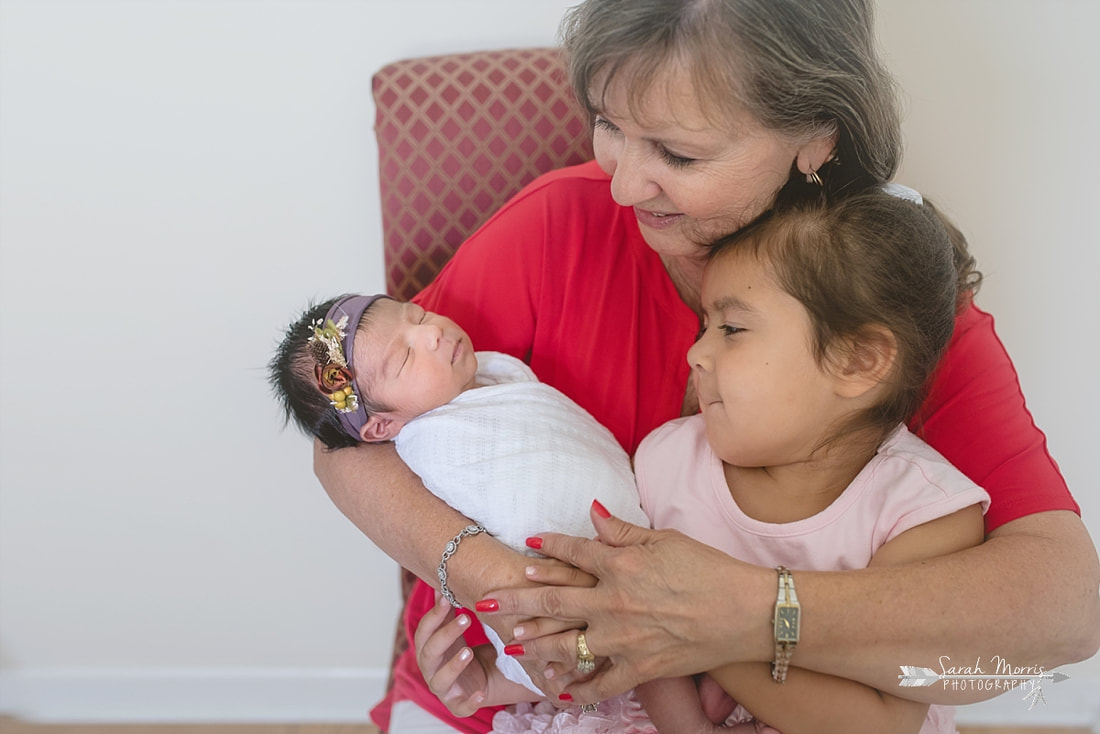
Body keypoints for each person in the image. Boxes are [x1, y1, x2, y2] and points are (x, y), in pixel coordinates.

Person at [314, 1, 1099, 732]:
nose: (622, 184)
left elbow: (1064, 607)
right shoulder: (555, 225)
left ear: (816, 138)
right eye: (607, 125)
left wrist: (742, 613)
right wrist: (491, 577)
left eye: (678, 153)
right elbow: (341, 436)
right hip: (502, 692)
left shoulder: (881, 304)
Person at [421, 190, 990, 734]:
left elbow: (884, 720)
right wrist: (491, 679)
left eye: (732, 329)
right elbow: (606, 626)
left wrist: (701, 634)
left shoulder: (926, 514)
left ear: (856, 360)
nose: (696, 352)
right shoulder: (670, 459)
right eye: (703, 326)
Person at [269, 293, 650, 704]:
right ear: (381, 427)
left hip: (642, 533)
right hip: (573, 596)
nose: (432, 333)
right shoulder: (436, 448)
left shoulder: (490, 376)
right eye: (404, 358)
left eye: (418, 315)